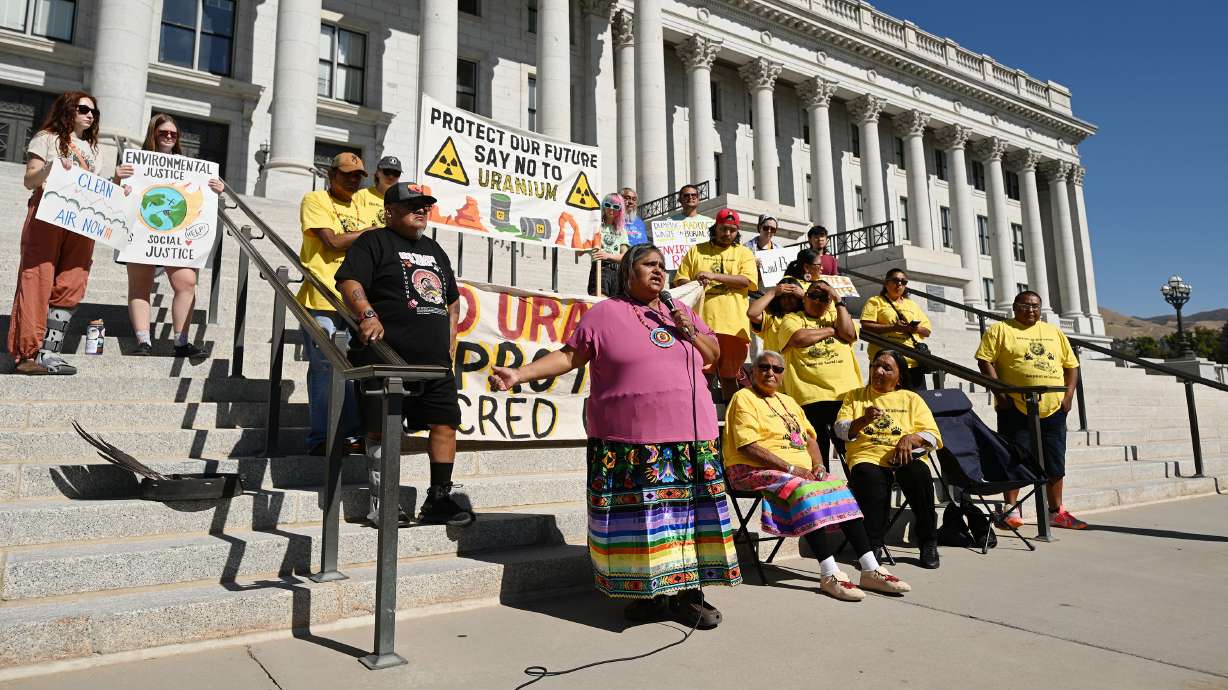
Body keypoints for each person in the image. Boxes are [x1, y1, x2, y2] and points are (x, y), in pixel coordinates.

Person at [489, 244, 740, 629]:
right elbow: (569, 357)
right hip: (628, 440)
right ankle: (650, 596)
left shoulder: (681, 312)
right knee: (643, 523)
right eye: (648, 265)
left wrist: (687, 328)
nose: (658, 271)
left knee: (688, 519)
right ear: (628, 272)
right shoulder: (604, 314)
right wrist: (519, 374)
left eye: (662, 266)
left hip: (690, 436)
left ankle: (690, 598)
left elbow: (714, 355)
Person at [336, 182, 473, 527]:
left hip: (434, 362)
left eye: (426, 205)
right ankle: (383, 502)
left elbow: (452, 300)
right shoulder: (373, 242)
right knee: (383, 428)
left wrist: (451, 336)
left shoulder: (435, 249)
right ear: (389, 212)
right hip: (386, 356)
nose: (422, 210)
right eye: (413, 204)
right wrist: (367, 313)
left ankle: (439, 499)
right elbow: (349, 282)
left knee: (445, 424)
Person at [725, 350, 911, 600]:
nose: (771, 373)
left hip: (799, 471)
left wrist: (819, 466)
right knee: (805, 489)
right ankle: (829, 573)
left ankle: (870, 568)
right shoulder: (743, 397)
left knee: (839, 487)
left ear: (782, 375)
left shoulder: (788, 401)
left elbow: (811, 439)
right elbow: (749, 446)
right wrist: (791, 469)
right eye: (764, 367)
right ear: (752, 371)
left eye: (777, 369)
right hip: (752, 470)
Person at [8, 91, 131, 375]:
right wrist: (50, 168)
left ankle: (50, 352)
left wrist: (116, 185)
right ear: (68, 109)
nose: (90, 114)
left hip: (80, 219)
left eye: (94, 112)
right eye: (84, 109)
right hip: (47, 214)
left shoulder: (95, 149)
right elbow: (30, 179)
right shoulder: (47, 137)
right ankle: (27, 354)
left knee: (72, 281)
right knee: (37, 279)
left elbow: (94, 188)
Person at [295, 152, 383, 456]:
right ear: (331, 174)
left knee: (357, 370)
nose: (352, 179)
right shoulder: (315, 199)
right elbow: (331, 242)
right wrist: (372, 233)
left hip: (357, 300)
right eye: (346, 174)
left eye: (358, 175)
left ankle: (352, 435)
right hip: (323, 296)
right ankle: (322, 437)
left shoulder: (364, 204)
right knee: (324, 368)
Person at [975, 290, 1084, 530]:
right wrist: (1000, 393)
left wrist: (1068, 397)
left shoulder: (1053, 331)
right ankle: (1010, 511)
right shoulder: (1000, 330)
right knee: (1014, 459)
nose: (1031, 310)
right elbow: (984, 361)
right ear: (1014, 307)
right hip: (1015, 406)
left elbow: (1071, 366)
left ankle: (1056, 511)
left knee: (1055, 461)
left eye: (1036, 306)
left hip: (1052, 408)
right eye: (1025, 305)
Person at [125, 113, 224, 358]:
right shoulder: (136, 163)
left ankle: (181, 341)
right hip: (142, 230)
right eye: (163, 133)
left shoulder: (187, 166)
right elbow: (120, 191)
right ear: (153, 135)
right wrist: (119, 177)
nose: (169, 137)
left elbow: (199, 196)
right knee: (140, 286)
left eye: (173, 133)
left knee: (186, 283)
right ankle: (144, 341)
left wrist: (217, 190)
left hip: (177, 232)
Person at [835, 350, 943, 569]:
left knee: (920, 474)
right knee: (869, 475)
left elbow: (933, 435)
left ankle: (928, 541)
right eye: (876, 366)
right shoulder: (855, 396)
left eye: (887, 368)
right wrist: (863, 420)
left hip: (904, 457)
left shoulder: (912, 399)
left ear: (900, 376)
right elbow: (840, 430)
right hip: (867, 455)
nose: (879, 371)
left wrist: (911, 438)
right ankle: (872, 544)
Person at [674, 208, 758, 402]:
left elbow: (747, 281)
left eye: (732, 230)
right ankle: (702, 417)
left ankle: (732, 421)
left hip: (733, 327)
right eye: (723, 229)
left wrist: (712, 276)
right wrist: (696, 283)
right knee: (703, 375)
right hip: (701, 324)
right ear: (715, 228)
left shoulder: (744, 252)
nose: (727, 233)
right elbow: (680, 281)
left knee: (730, 376)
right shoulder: (696, 250)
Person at [777, 280, 861, 469]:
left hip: (844, 396)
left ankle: (856, 494)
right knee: (818, 457)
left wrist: (838, 299)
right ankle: (824, 494)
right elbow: (798, 338)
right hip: (809, 397)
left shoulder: (838, 315)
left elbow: (848, 333)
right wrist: (832, 330)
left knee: (852, 454)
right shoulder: (792, 319)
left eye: (823, 297)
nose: (817, 300)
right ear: (804, 298)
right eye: (813, 295)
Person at [860, 268, 933, 390]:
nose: (900, 284)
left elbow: (927, 331)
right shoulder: (875, 301)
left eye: (903, 282)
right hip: (886, 366)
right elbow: (866, 326)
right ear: (886, 283)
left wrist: (914, 329)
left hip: (912, 364)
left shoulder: (912, 304)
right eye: (896, 280)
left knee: (915, 404)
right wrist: (893, 327)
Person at [747, 276, 804, 353]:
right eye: (783, 297)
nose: (787, 300)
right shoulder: (770, 318)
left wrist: (804, 295)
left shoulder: (807, 316)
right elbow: (752, 313)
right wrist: (773, 291)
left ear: (799, 298)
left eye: (792, 296)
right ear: (778, 299)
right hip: (775, 364)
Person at [588, 192, 629, 297]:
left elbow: (624, 256)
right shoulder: (596, 226)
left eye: (615, 206)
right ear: (603, 206)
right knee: (599, 300)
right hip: (600, 267)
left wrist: (608, 255)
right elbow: (584, 244)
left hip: (617, 271)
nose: (611, 209)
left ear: (620, 210)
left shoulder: (621, 230)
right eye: (607, 205)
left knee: (615, 305)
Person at [352, 155, 403, 226]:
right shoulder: (361, 195)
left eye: (396, 173)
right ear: (377, 173)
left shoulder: (401, 200)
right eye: (387, 172)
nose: (391, 177)